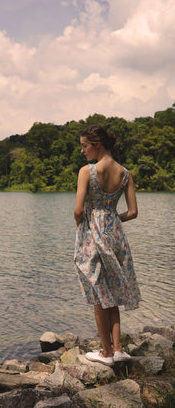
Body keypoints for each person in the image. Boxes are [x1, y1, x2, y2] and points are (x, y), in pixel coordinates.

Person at [74, 125, 141, 366]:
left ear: (97, 145)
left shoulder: (87, 171)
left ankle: (106, 353)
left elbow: (78, 210)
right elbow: (133, 212)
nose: (82, 151)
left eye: (84, 145)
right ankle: (119, 348)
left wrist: (83, 225)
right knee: (111, 291)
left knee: (98, 293)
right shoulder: (125, 173)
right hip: (116, 234)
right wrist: (112, 218)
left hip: (92, 233)